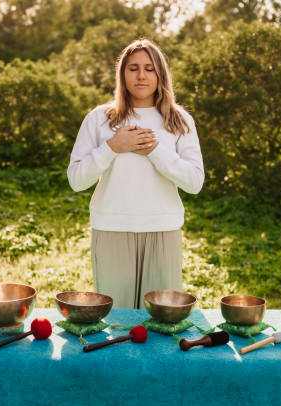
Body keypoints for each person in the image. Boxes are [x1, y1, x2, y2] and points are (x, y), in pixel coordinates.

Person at [67, 39, 204, 309]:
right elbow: (77, 179)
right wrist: (113, 147)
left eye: (149, 69)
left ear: (160, 74)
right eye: (133, 68)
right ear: (122, 74)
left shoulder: (179, 120)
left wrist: (154, 151)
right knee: (118, 321)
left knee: (160, 322)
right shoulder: (99, 118)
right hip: (112, 230)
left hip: (163, 230)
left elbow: (194, 182)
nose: (141, 75)